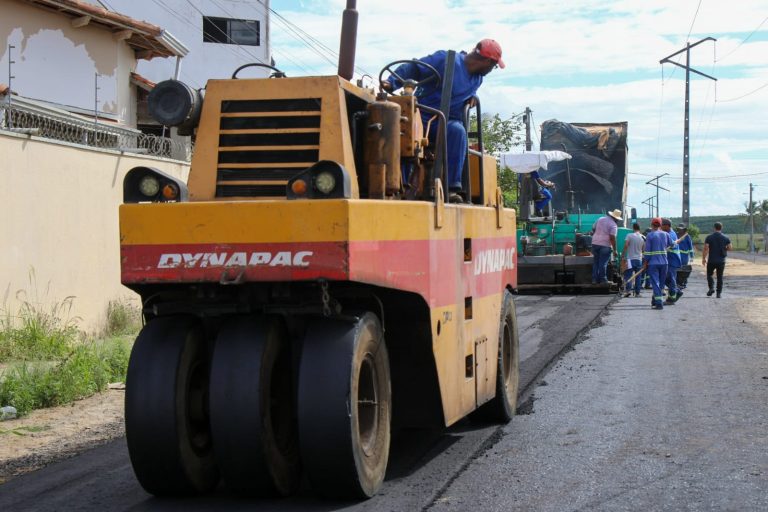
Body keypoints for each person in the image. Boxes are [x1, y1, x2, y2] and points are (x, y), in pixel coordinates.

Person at [383, 39, 504, 203]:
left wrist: (473, 97)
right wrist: (392, 82)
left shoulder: (477, 79)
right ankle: (398, 184)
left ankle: (451, 188)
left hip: (445, 122)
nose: (492, 70)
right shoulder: (445, 59)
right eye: (494, 66)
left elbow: (468, 92)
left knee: (458, 131)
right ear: (487, 61)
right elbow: (415, 67)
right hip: (422, 115)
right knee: (402, 129)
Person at [642, 217, 673, 310]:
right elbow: (672, 244)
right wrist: (674, 243)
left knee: (655, 283)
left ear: (652, 225)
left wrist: (645, 263)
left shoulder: (650, 235)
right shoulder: (666, 234)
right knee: (661, 283)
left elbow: (647, 252)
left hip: (653, 263)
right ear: (660, 225)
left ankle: (659, 303)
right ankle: (656, 300)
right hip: (664, 263)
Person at [591, 208, 622, 284]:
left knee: (596, 263)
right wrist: (615, 250)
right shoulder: (613, 225)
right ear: (616, 218)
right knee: (603, 263)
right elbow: (612, 238)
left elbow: (593, 228)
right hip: (605, 245)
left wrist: (597, 235)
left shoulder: (600, 219)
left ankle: (594, 280)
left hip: (595, 243)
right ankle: (603, 280)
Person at [702, 222, 732, 298]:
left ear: (714, 228)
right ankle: (718, 294)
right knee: (720, 277)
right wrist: (724, 248)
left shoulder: (709, 237)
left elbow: (706, 248)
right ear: (721, 228)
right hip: (721, 260)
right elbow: (730, 248)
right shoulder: (726, 237)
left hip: (712, 260)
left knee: (709, 275)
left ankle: (711, 288)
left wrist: (704, 258)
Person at [661, 218, 682, 304]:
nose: (661, 227)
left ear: (667, 226)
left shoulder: (671, 234)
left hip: (672, 260)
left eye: (662, 225)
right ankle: (677, 291)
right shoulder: (668, 233)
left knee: (670, 279)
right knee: (666, 279)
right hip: (669, 260)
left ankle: (671, 298)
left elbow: (671, 245)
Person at [622, 223, 645, 297]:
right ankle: (637, 293)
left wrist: (623, 255)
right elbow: (644, 249)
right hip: (639, 259)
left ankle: (628, 291)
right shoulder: (643, 237)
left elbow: (626, 245)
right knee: (638, 276)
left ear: (633, 228)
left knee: (628, 275)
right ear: (639, 228)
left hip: (630, 259)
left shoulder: (629, 235)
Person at [676, 223, 694, 289]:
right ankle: (678, 283)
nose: (680, 230)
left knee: (684, 270)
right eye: (679, 229)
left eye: (681, 229)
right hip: (677, 255)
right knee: (677, 269)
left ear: (684, 229)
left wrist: (691, 256)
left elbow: (690, 247)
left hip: (684, 256)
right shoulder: (676, 235)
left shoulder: (687, 236)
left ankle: (684, 283)